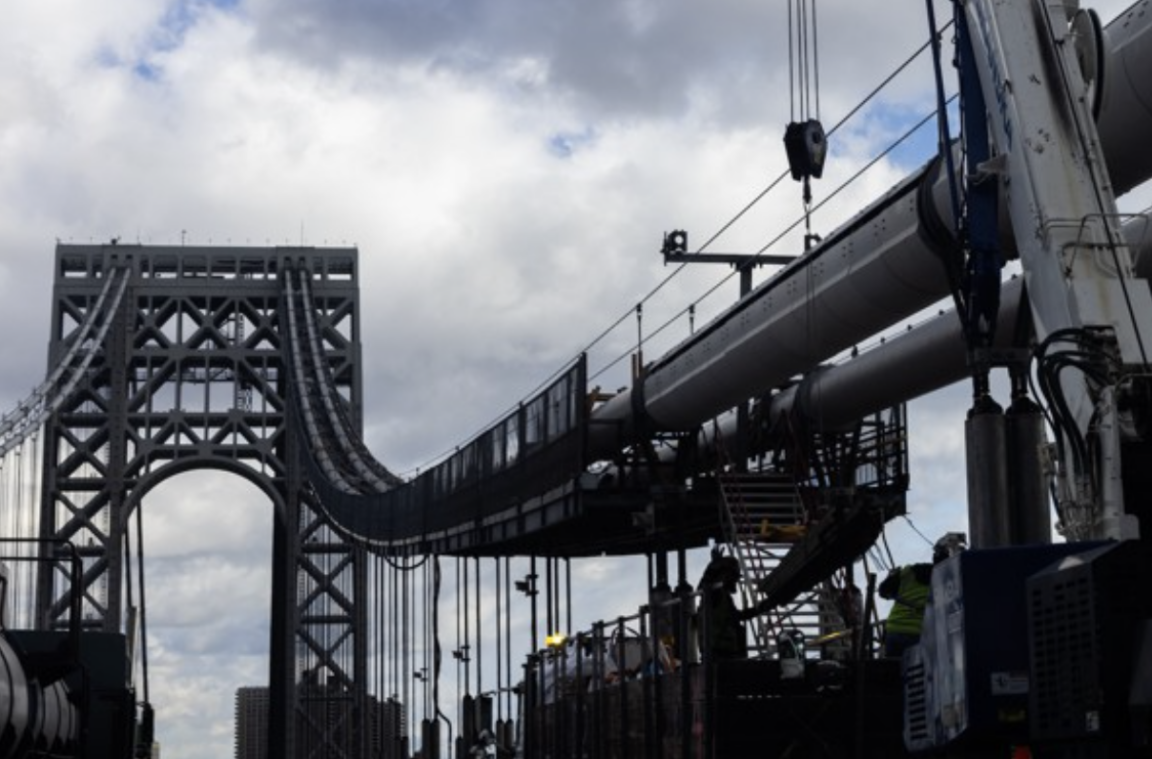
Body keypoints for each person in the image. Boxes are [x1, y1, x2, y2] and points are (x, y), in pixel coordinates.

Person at [879, 532, 966, 658]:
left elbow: (883, 591)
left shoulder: (908, 572)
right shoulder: (947, 580)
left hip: (894, 631)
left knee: (893, 673)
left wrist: (892, 578)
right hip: (917, 635)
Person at [697, 548, 752, 660]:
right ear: (724, 574)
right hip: (718, 653)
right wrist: (713, 565)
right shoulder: (713, 593)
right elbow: (703, 586)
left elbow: (736, 616)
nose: (735, 580)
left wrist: (761, 608)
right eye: (734, 576)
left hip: (727, 652)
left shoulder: (724, 596)